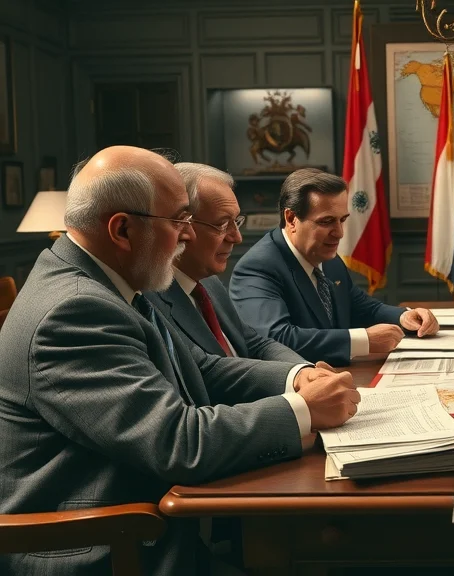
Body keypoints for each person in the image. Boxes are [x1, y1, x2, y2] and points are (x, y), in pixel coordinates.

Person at [0, 146, 360, 576]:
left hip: (153, 523)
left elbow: (200, 365)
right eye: (179, 220)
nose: (188, 234)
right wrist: (303, 411)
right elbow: (178, 444)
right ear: (122, 230)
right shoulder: (73, 311)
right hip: (113, 548)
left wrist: (297, 379)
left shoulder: (110, 282)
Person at [230, 168, 439, 366]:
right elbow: (276, 339)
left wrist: (405, 317)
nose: (339, 233)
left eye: (343, 220)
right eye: (327, 221)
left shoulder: (327, 256)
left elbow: (360, 306)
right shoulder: (257, 268)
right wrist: (363, 340)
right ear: (291, 218)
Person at [146, 163, 305, 364]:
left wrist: (304, 371)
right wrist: (296, 380)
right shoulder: (151, 300)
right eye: (222, 224)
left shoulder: (209, 283)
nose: (236, 238)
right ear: (181, 224)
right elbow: (210, 373)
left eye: (236, 222)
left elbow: (255, 343)